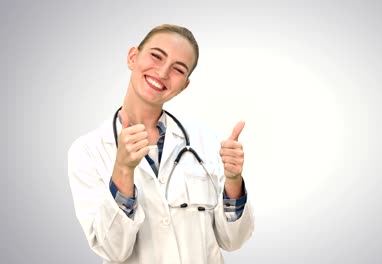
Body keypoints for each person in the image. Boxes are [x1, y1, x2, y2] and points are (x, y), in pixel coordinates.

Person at [68, 24, 254, 264]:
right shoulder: (87, 151)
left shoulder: (206, 142)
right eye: (156, 56)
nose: (163, 72)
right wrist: (123, 169)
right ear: (133, 57)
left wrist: (233, 181)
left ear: (184, 86)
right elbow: (113, 250)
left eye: (178, 69)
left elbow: (233, 241)